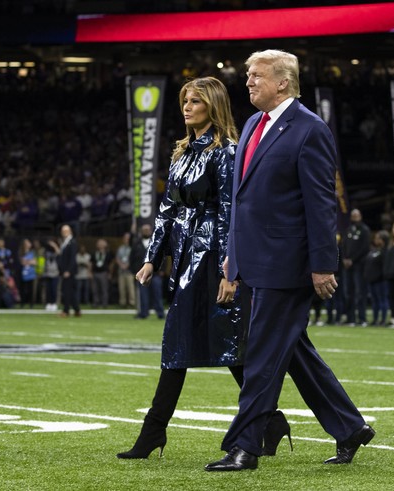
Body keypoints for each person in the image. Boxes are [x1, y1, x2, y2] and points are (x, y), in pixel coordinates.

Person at [206, 50, 373, 472]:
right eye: (247, 75)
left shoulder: (310, 129)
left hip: (288, 264)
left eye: (256, 75)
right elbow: (244, 201)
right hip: (254, 259)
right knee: (293, 351)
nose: (247, 82)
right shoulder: (251, 124)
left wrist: (323, 263)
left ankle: (245, 446)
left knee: (260, 355)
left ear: (283, 82)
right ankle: (350, 427)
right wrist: (233, 257)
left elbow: (320, 203)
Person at [120, 76, 290, 461]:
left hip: (212, 255)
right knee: (209, 344)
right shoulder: (181, 153)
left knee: (210, 343)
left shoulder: (226, 152)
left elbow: (233, 211)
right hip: (185, 256)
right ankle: (270, 420)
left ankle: (154, 432)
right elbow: (167, 208)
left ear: (211, 106)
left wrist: (231, 269)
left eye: (194, 101)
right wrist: (151, 257)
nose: (186, 107)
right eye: (184, 101)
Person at [342, 209, 370, 326]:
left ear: (360, 216)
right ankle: (350, 318)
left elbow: (365, 248)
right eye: (353, 215)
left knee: (360, 292)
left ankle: (362, 318)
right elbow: (343, 245)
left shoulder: (364, 230)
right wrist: (344, 258)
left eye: (357, 215)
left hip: (359, 265)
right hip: (347, 266)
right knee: (348, 292)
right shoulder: (348, 230)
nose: (355, 217)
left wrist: (352, 260)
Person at [132, 224, 165, 320]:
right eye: (144, 229)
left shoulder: (156, 242)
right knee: (143, 295)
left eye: (147, 229)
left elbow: (163, 257)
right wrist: (134, 271)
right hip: (141, 274)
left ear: (151, 231)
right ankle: (143, 313)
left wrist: (162, 270)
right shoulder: (136, 243)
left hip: (155, 273)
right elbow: (132, 259)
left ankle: (160, 313)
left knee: (157, 294)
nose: (146, 231)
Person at [365, 230, 389, 326]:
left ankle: (383, 319)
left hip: (381, 280)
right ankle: (375, 319)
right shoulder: (374, 250)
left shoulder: (386, 251)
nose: (375, 240)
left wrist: (381, 276)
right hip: (372, 279)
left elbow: (385, 266)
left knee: (382, 299)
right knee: (374, 301)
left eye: (378, 238)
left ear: (383, 240)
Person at [56, 224, 80, 317]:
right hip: (65, 270)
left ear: (70, 231)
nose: (64, 233)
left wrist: (68, 270)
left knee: (66, 291)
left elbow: (72, 258)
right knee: (70, 291)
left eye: (66, 231)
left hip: (69, 271)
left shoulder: (72, 242)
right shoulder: (65, 242)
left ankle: (66, 311)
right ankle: (77, 309)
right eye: (63, 231)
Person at [115, 232, 136, 308]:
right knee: (122, 288)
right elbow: (117, 258)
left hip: (129, 271)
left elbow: (133, 259)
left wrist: (127, 265)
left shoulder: (132, 248)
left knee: (130, 288)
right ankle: (122, 303)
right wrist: (121, 265)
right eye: (125, 239)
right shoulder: (120, 249)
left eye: (128, 239)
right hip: (121, 271)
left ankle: (132, 303)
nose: (126, 240)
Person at [91, 239, 113, 308]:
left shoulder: (108, 253)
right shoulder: (94, 253)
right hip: (95, 272)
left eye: (101, 243)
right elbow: (91, 263)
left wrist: (110, 273)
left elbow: (111, 264)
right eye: (98, 243)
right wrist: (90, 272)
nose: (99, 245)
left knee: (104, 289)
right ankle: (96, 302)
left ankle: (104, 303)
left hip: (104, 273)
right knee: (95, 289)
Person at [18, 239, 37, 309]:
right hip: (23, 274)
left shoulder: (32, 252)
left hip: (31, 273)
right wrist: (29, 261)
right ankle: (22, 303)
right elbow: (22, 262)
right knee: (23, 289)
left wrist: (27, 261)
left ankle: (31, 304)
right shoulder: (21, 252)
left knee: (30, 290)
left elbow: (35, 262)